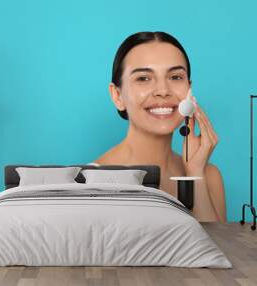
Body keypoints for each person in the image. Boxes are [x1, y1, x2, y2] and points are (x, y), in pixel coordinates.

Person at [91, 31, 226, 222]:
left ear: (189, 88)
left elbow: (215, 249)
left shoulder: (209, 176)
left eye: (175, 77)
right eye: (143, 78)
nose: (163, 91)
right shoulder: (94, 181)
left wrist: (195, 174)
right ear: (117, 96)